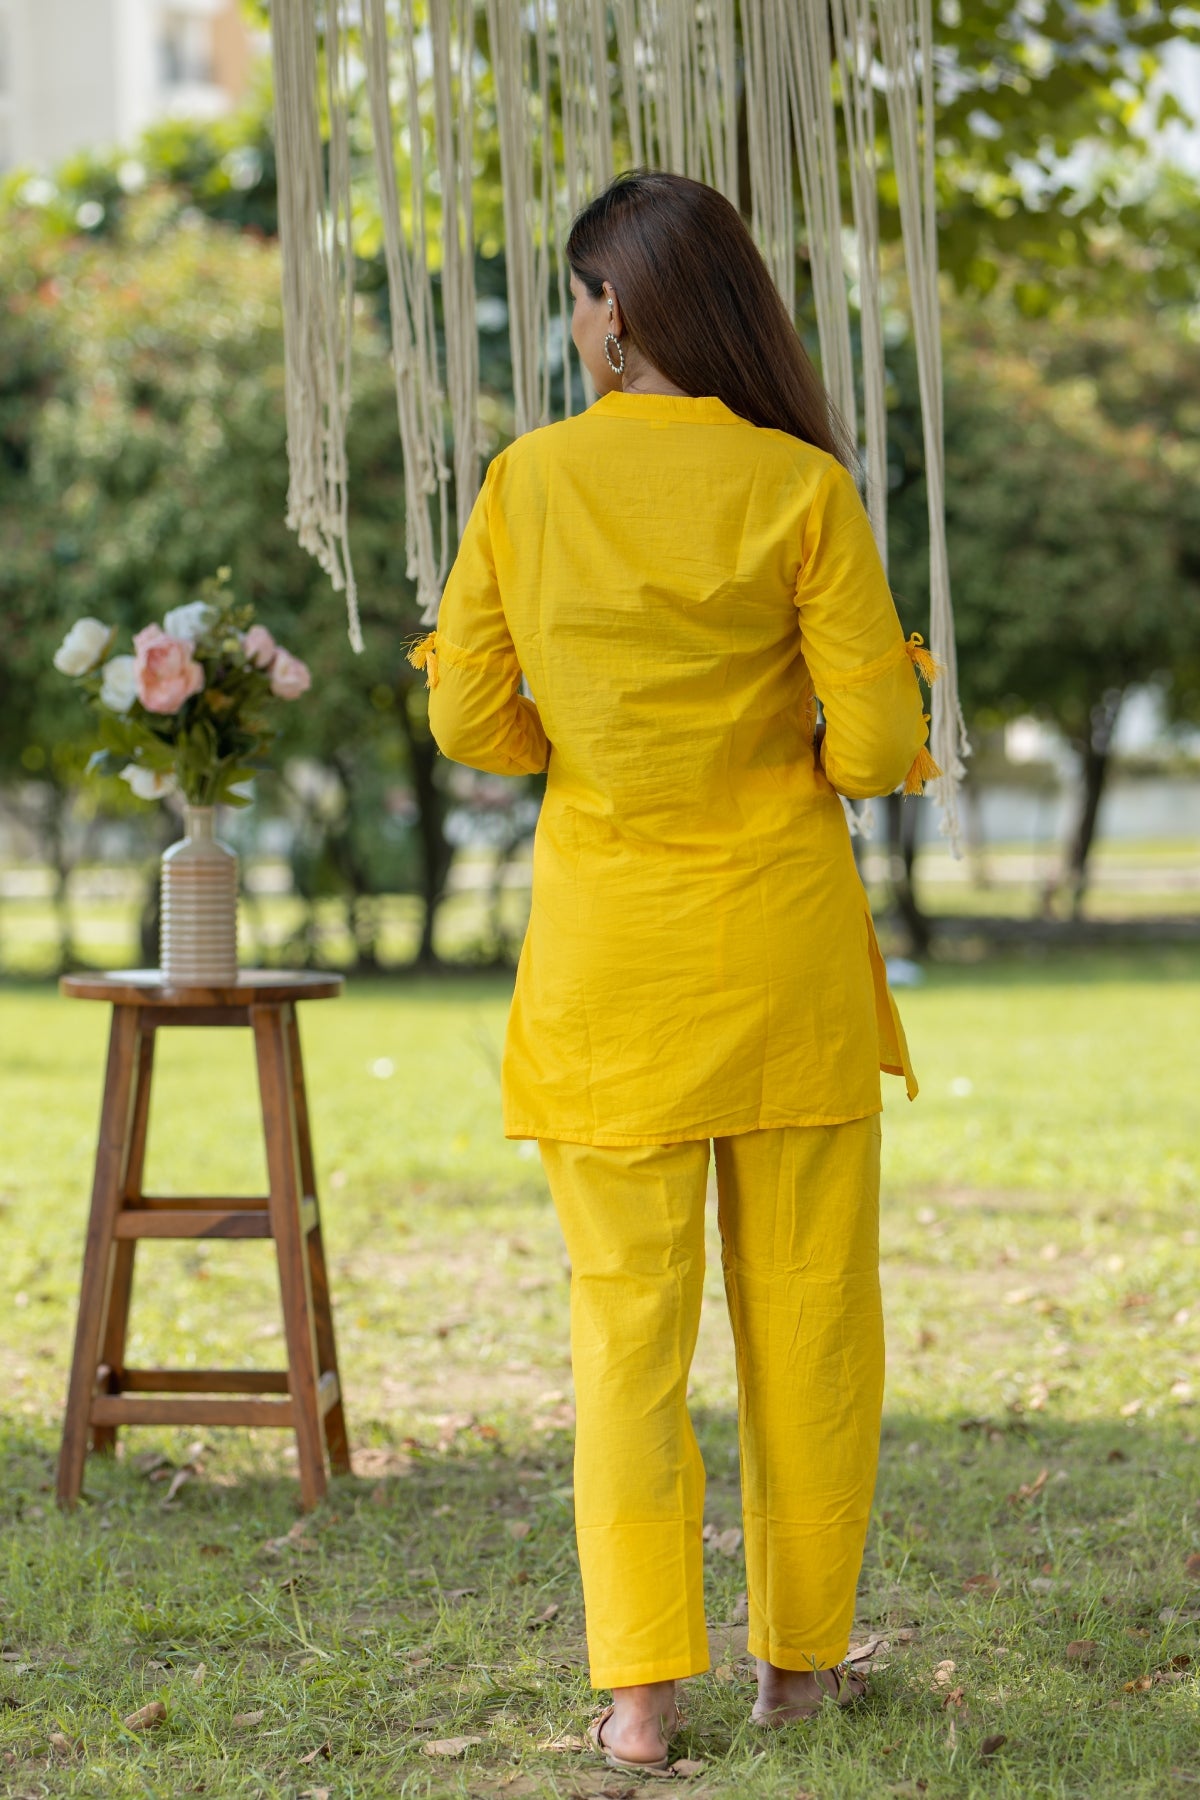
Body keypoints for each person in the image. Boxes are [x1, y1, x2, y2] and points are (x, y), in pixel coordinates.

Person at [409, 169, 937, 1773]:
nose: (576, 322)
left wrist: (590, 741)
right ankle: (800, 1670)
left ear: (613, 308)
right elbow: (887, 747)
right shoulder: (801, 490)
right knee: (811, 1324)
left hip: (607, 973)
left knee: (624, 1334)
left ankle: (642, 1700)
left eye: (577, 295)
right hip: (781, 962)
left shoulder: (528, 482)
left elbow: (469, 724)